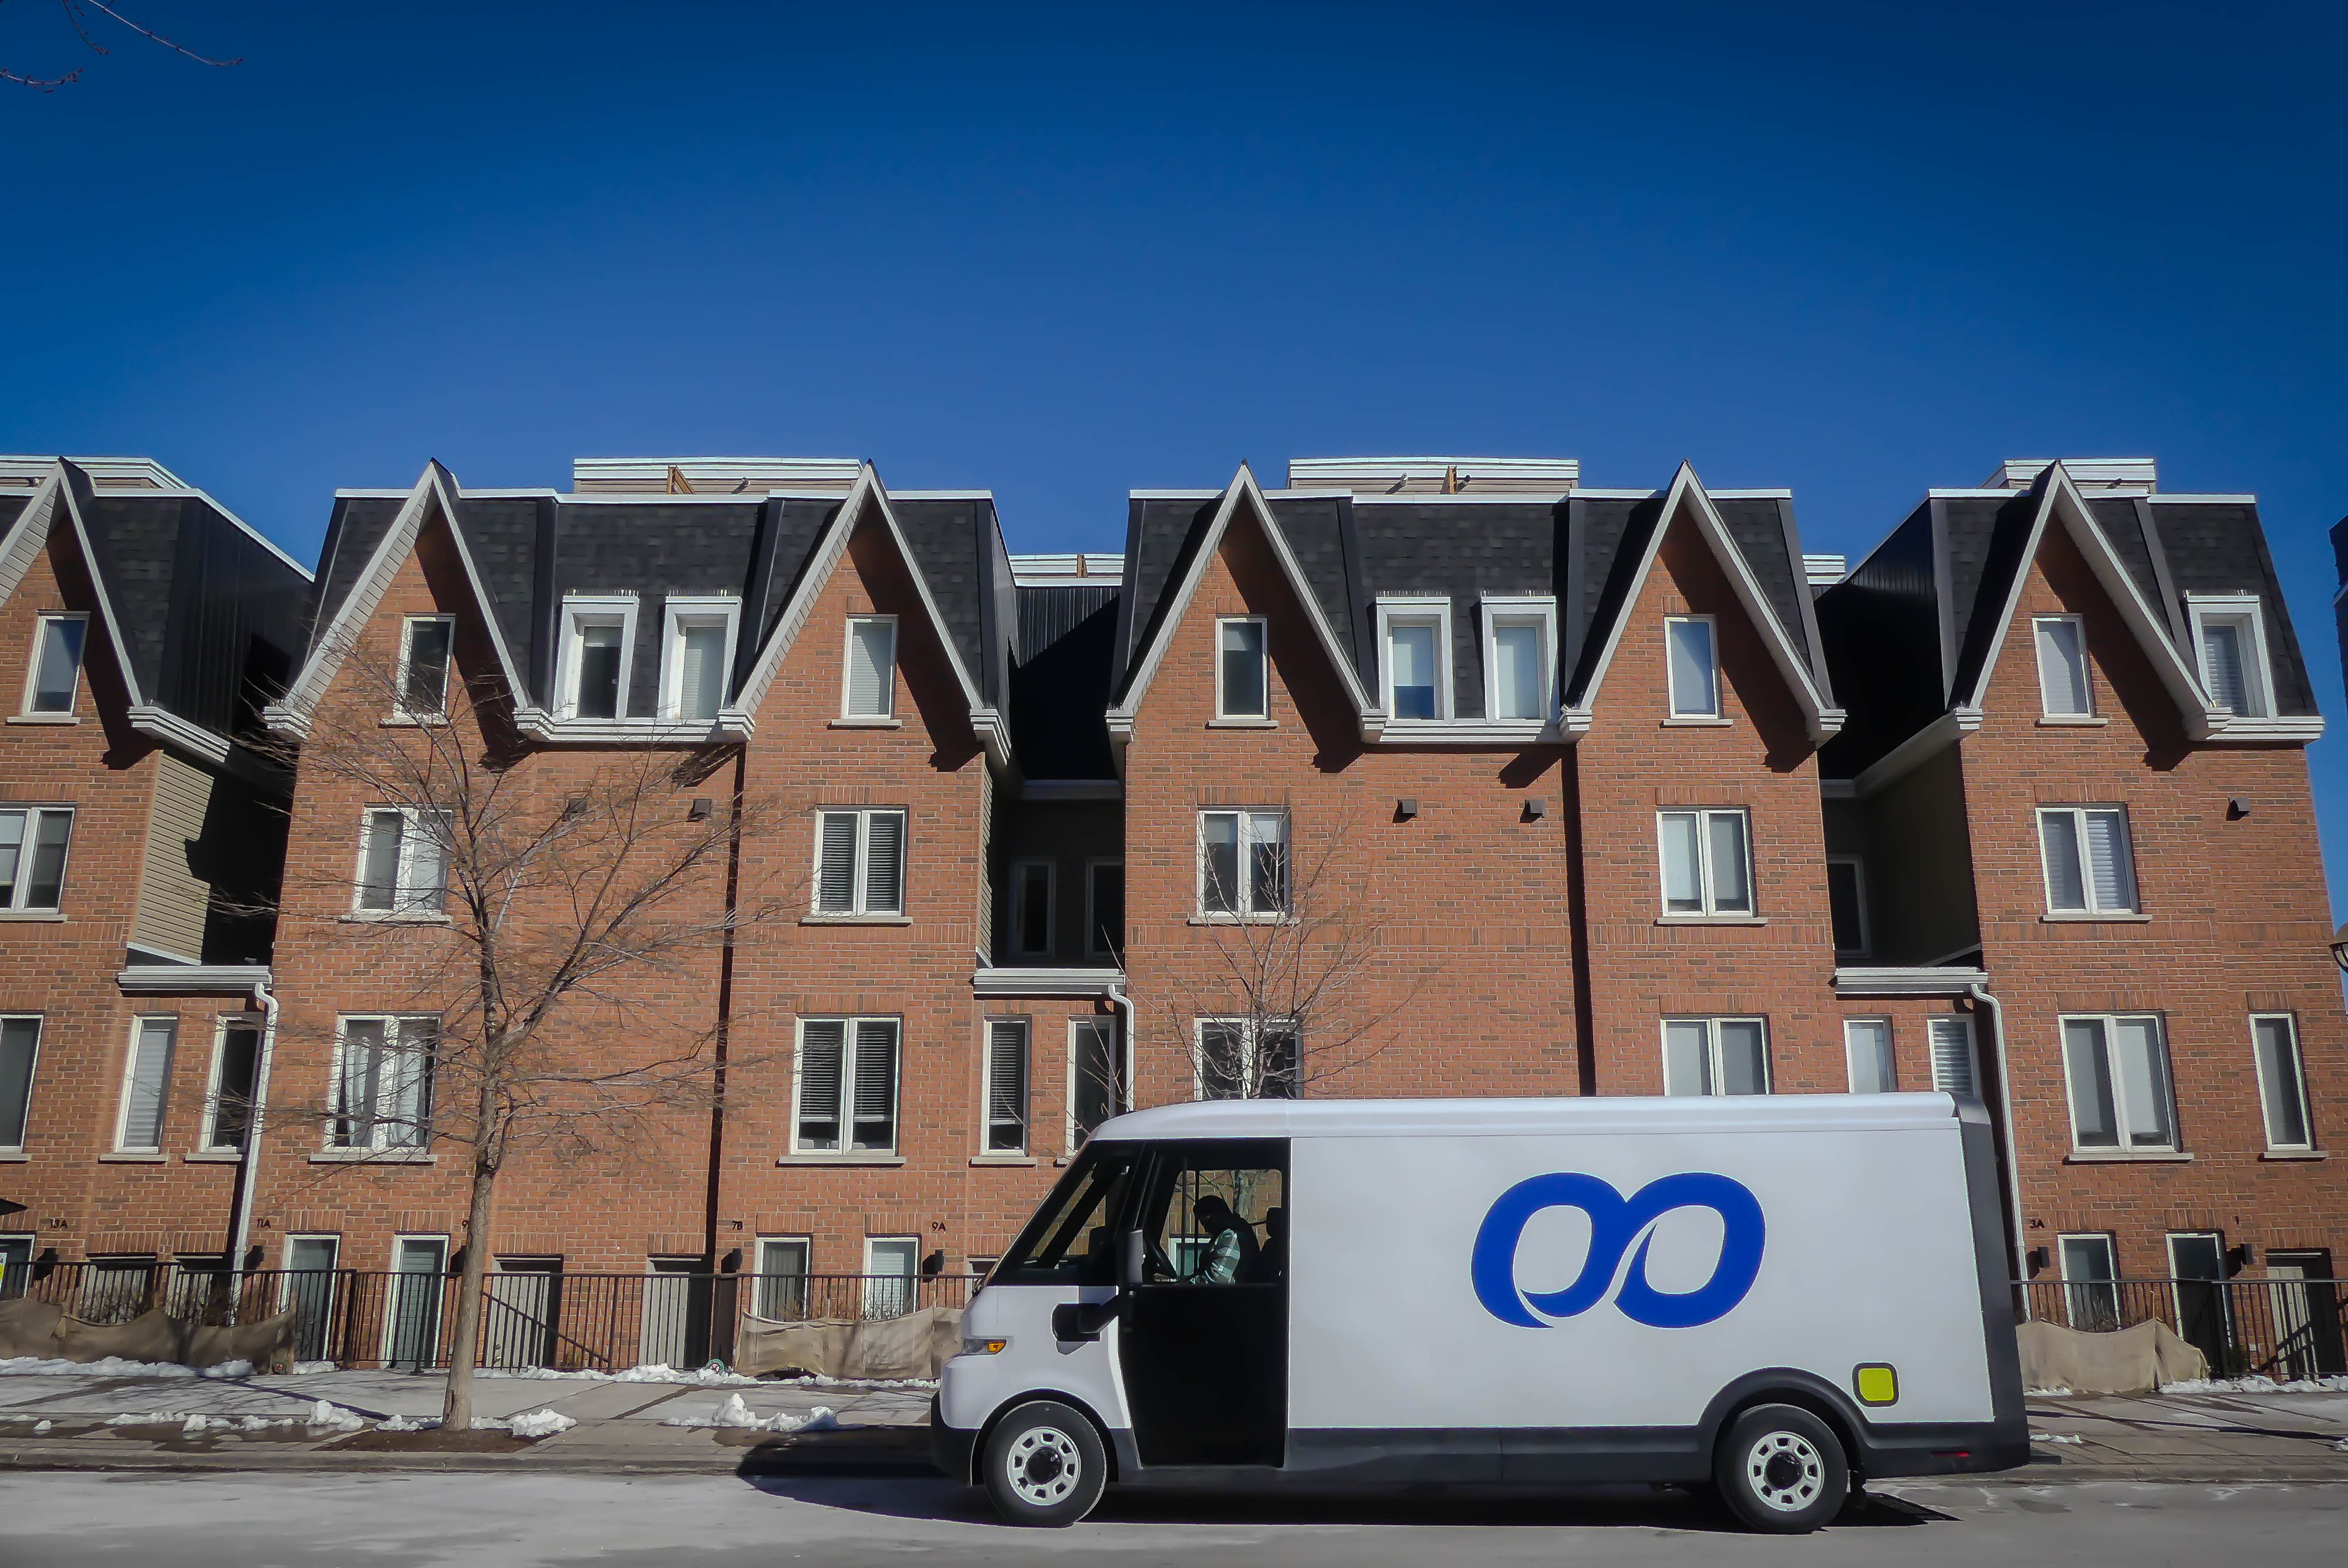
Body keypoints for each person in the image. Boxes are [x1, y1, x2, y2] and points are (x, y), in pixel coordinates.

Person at [1185, 1195, 1261, 1285]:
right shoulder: (1224, 1233)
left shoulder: (1231, 1235)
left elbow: (1217, 1278)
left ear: (1215, 1215)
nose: (1204, 1226)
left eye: (1205, 1221)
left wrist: (1188, 1285)